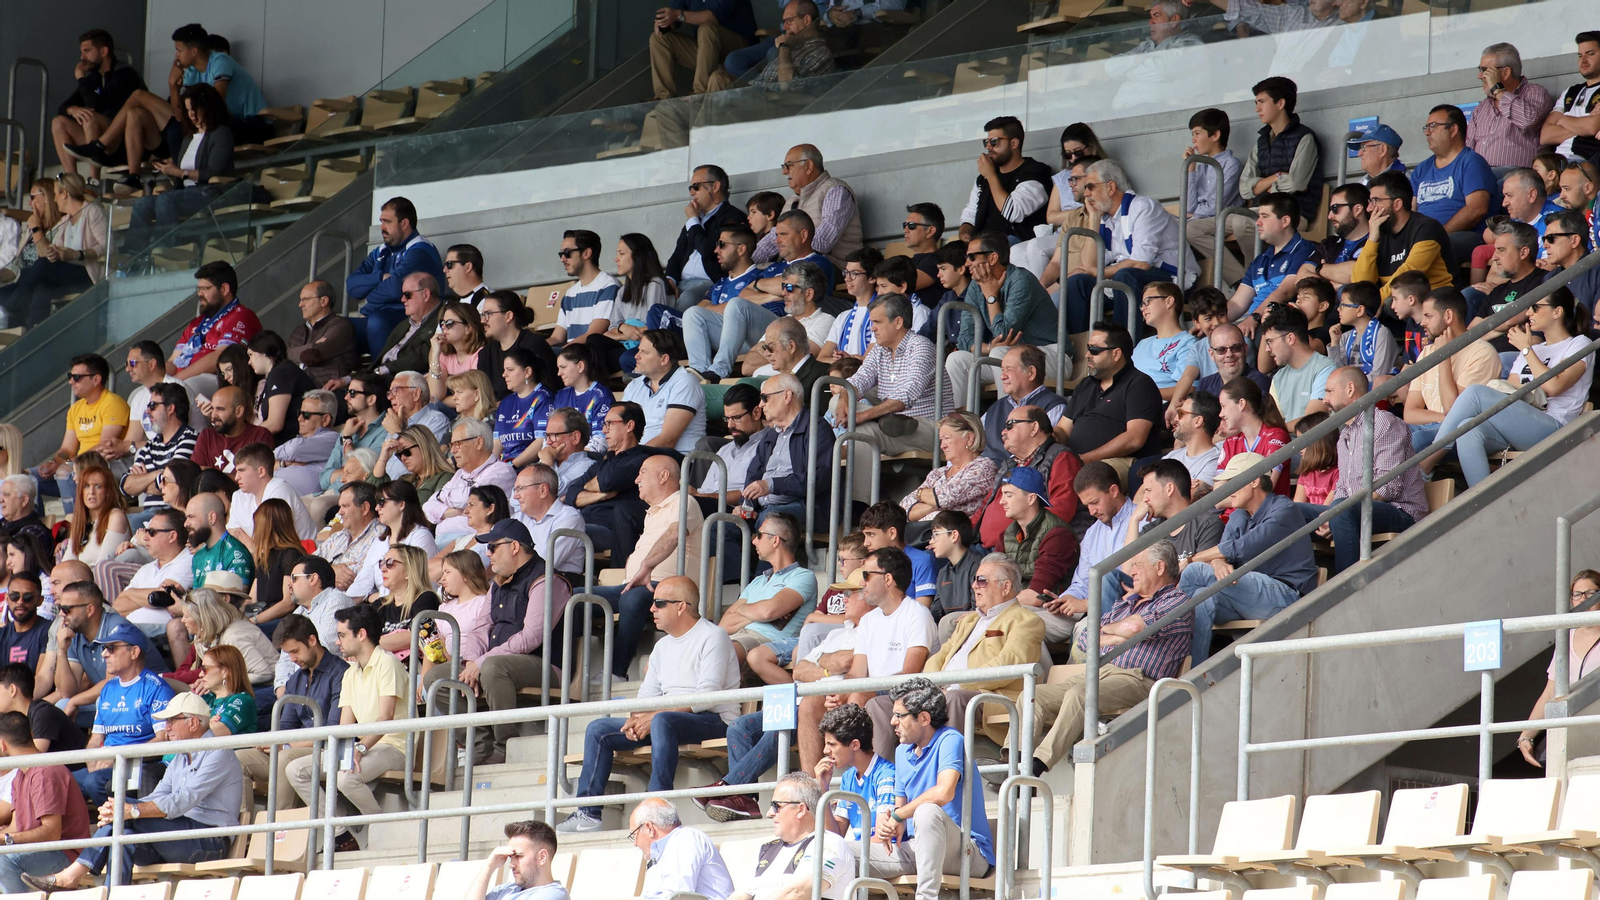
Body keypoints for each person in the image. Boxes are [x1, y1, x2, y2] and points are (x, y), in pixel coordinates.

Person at [557, 576, 739, 833]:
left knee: (662, 720)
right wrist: (637, 718)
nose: (651, 609)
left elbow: (706, 698)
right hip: (669, 720)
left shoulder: (713, 636)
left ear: (681, 606)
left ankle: (655, 808)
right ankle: (588, 813)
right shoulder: (662, 645)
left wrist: (653, 716)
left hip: (713, 719)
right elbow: (647, 695)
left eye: (659, 603)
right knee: (598, 728)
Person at [25, 691, 239, 890]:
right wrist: (123, 809)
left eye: (172, 720)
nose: (166, 727)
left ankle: (71, 876)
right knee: (123, 838)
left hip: (209, 841)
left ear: (193, 722)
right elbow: (157, 796)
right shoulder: (181, 757)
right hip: (181, 836)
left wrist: (132, 811)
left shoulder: (218, 752)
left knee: (123, 815)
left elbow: (181, 802)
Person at [1025, 541, 1192, 775]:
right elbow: (1085, 638)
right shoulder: (1125, 604)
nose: (1131, 571)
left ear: (1160, 567)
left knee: (1080, 695)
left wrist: (1113, 632)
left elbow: (1134, 628)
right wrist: (1118, 634)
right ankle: (1014, 764)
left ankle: (1035, 767)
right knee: (1032, 695)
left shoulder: (1176, 600)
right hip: (1103, 671)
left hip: (1140, 679)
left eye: (1137, 565)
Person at [1436, 285, 1594, 486]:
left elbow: (1554, 387)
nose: (1528, 313)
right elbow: (1510, 390)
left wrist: (1527, 350)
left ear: (1558, 311)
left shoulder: (1579, 344)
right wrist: (1528, 350)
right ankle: (1483, 504)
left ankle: (1427, 461)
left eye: (1535, 307)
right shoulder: (1533, 348)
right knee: (1467, 429)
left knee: (1475, 393)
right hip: (1522, 422)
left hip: (1555, 426)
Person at [795, 549, 936, 773]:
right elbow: (856, 674)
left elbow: (910, 675)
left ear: (888, 579)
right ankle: (813, 787)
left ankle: (860, 776)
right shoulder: (869, 620)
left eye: (867, 576)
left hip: (903, 696)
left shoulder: (917, 615)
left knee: (859, 694)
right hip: (870, 692)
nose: (863, 582)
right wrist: (840, 692)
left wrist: (855, 691)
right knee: (811, 703)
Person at [285, 604, 407, 851]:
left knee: (346, 779)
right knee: (295, 769)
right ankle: (341, 833)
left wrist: (359, 747)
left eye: (342, 635)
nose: (337, 641)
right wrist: (340, 752)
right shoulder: (350, 672)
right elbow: (344, 726)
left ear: (361, 634)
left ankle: (381, 826)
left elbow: (387, 717)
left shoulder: (387, 663)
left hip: (394, 746)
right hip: (364, 746)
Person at [1179, 452, 1320, 661]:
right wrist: (1218, 562)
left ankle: (1164, 626)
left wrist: (1191, 559)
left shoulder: (1284, 509)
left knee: (1194, 571)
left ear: (1254, 480)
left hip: (1287, 597)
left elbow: (1242, 548)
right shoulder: (1239, 514)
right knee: (1201, 598)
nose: (1227, 490)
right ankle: (1193, 675)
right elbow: (1223, 552)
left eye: (1232, 481)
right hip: (1248, 591)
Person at [870, 677, 995, 900]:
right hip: (917, 847)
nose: (892, 722)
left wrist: (899, 815)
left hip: (967, 853)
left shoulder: (950, 739)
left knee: (926, 811)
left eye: (899, 715)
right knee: (839, 852)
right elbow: (899, 813)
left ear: (924, 718)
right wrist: (889, 826)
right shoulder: (901, 751)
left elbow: (944, 792)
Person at [1296, 367, 1429, 574]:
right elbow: (1342, 488)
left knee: (1342, 508)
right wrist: (1333, 515)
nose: (1324, 399)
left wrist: (1338, 513)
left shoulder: (1382, 423)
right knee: (1290, 511)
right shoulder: (1344, 436)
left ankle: (1347, 587)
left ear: (1350, 389)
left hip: (1401, 511)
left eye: (1329, 391)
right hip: (1353, 511)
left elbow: (1388, 488)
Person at [597, 455, 704, 682]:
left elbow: (675, 534)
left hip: (668, 589)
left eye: (642, 472)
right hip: (634, 585)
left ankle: (616, 672)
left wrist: (646, 565)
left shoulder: (683, 501)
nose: (636, 480)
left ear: (664, 476)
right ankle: (561, 673)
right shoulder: (654, 511)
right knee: (575, 599)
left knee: (633, 599)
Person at [1062, 160, 1196, 338]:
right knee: (1077, 282)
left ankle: (1122, 349)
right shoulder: (1104, 217)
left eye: (1091, 187)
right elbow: (1087, 266)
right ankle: (1080, 353)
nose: (1086, 194)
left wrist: (1099, 272)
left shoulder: (1142, 207)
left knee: (1125, 276)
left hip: (1172, 279)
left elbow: (1141, 263)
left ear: (1111, 187)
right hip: (1130, 282)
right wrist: (1093, 220)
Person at [236, 608, 345, 812]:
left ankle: (276, 830)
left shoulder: (340, 673)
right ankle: (245, 833)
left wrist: (286, 745)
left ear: (312, 640)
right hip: (294, 749)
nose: (292, 659)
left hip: (324, 751)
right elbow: (286, 725)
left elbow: (332, 731)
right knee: (240, 758)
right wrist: (270, 740)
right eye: (288, 654)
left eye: (295, 651)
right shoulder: (295, 679)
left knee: (284, 757)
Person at [846, 295, 951, 487]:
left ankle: (859, 505)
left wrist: (864, 415)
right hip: (893, 421)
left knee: (863, 433)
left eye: (877, 322)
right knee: (838, 399)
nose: (872, 328)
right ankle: (884, 420)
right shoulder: (879, 350)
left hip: (931, 426)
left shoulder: (921, 347)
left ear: (898, 322)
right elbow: (858, 380)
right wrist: (844, 399)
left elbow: (906, 395)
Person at [70, 621, 174, 806]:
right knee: (61, 782)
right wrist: (92, 761)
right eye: (104, 648)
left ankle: (125, 825)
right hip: (106, 763)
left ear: (134, 652)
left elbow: (164, 739)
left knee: (94, 782)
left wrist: (119, 757)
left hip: (138, 764)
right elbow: (95, 739)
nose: (104, 654)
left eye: (111, 648)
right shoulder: (108, 688)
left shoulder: (156, 687)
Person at [951, 233, 1060, 406]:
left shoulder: (1021, 280)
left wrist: (991, 296)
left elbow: (1003, 333)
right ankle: (959, 426)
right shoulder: (975, 285)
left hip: (1050, 355)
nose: (966, 263)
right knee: (957, 360)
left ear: (993, 257)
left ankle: (1008, 420)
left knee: (1002, 353)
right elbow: (964, 338)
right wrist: (989, 347)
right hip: (1014, 359)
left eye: (971, 257)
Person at [1022, 463, 1125, 641]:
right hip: (1083, 612)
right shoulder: (1092, 533)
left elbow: (1133, 582)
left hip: (1120, 610)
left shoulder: (1142, 522)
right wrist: (1065, 600)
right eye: (1087, 505)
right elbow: (1081, 583)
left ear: (1114, 490)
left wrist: (1086, 604)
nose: (1092, 511)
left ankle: (1068, 671)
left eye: (1095, 502)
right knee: (1017, 621)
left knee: (1081, 631)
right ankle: (1043, 671)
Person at [0, 709, 92, 892]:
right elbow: (16, 828)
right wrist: (5, 837)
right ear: (31, 735)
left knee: (3, 861)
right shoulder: (20, 774)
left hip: (66, 853)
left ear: (2, 745)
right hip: (38, 850)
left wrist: (8, 839)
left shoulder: (44, 772)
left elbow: (52, 833)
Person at [1517, 569, 1600, 767]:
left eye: (1591, 594)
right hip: (1570, 734)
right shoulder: (1566, 639)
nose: (1583, 600)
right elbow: (1550, 693)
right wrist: (1526, 736)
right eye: (1577, 595)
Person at [0, 174, 105, 329]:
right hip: (51, 276)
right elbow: (50, 252)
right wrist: (55, 252)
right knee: (41, 287)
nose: (55, 199)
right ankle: (31, 334)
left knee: (41, 265)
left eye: (33, 197)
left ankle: (15, 307)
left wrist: (77, 254)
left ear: (62, 194)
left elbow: (107, 247)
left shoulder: (92, 212)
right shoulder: (65, 221)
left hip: (87, 273)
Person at [1405, 288, 1502, 454]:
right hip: (1433, 426)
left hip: (1463, 432)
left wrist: (1444, 356)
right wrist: (1440, 418)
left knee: (1415, 441)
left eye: (1428, 316)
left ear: (1448, 316)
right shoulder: (1427, 352)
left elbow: (1454, 410)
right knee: (1384, 437)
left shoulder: (1482, 353)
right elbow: (1410, 413)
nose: (1422, 323)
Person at [726, 774, 852, 900]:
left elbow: (797, 893)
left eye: (776, 806)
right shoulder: (765, 849)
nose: (769, 813)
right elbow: (741, 895)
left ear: (800, 809)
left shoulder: (829, 843)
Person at [347, 197, 446, 356]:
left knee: (377, 321)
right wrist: (379, 277)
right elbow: (351, 286)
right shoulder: (381, 251)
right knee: (339, 326)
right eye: (381, 221)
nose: (382, 227)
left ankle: (382, 378)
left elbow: (394, 289)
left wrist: (369, 297)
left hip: (409, 318)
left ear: (405, 223)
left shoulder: (419, 249)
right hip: (378, 317)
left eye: (387, 222)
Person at [1057, 323, 1164, 470]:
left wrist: (1085, 460)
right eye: (1088, 348)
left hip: (1122, 462)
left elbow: (1134, 438)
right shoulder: (1085, 385)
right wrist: (1045, 437)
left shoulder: (1139, 384)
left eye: (1094, 350)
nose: (1087, 355)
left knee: (1088, 475)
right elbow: (1063, 430)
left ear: (1116, 354)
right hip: (1080, 462)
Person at [567, 403, 666, 562]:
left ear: (629, 426)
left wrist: (589, 490)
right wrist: (600, 496)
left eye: (610, 424)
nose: (604, 430)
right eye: (604, 425)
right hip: (583, 523)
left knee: (560, 532)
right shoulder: (602, 463)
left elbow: (608, 482)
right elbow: (571, 493)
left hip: (609, 531)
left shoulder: (642, 461)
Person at [718, 512, 817, 670]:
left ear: (775, 540)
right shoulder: (758, 580)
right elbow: (724, 624)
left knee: (719, 655)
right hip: (738, 638)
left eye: (759, 535)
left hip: (768, 643)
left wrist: (745, 610)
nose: (754, 540)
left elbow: (768, 612)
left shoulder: (803, 577)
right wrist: (758, 614)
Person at [973, 405, 1081, 549]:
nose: (1003, 432)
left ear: (1034, 427)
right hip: (982, 548)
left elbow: (1061, 509)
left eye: (1010, 425)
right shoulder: (1009, 464)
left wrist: (1016, 538)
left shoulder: (1061, 457)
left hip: (1023, 550)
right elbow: (983, 509)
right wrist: (959, 534)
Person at [32, 354, 127, 504]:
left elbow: (104, 446)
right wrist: (55, 462)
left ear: (96, 379)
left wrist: (71, 463)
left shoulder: (113, 403)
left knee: (64, 473)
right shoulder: (76, 409)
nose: (71, 382)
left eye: (77, 377)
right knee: (30, 478)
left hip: (101, 465)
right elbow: (67, 449)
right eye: (70, 376)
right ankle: (31, 525)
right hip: (77, 466)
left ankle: (76, 522)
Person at [754, 145, 862, 275]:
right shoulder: (792, 201)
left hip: (833, 267)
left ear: (808, 166)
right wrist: (747, 263)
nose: (785, 172)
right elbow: (772, 239)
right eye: (784, 167)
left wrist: (793, 256)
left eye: (789, 165)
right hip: (795, 267)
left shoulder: (836, 191)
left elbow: (824, 240)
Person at [1237, 77, 1324, 236]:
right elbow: (1244, 189)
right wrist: (1275, 178)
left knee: (1241, 223)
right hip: (1261, 210)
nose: (1257, 108)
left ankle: (1259, 262)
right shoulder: (1261, 141)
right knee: (1204, 227)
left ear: (1280, 103)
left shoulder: (1304, 137)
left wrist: (1262, 187)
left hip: (1292, 213)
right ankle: (1256, 262)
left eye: (1262, 102)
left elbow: (1295, 183)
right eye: (1256, 103)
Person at [51, 29, 145, 177]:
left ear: (104, 51)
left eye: (87, 51)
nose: (82, 57)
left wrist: (80, 78)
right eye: (82, 52)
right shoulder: (94, 77)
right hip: (102, 141)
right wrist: (72, 109)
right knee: (58, 122)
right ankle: (73, 181)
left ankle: (93, 180)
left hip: (126, 144)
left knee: (90, 116)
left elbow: (99, 105)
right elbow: (63, 107)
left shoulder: (124, 73)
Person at [1411, 104, 1497, 263]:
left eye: (1433, 126)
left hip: (1463, 235)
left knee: (1428, 252)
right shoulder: (1421, 169)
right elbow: (1411, 211)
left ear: (1453, 130)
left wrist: (1438, 235)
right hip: (1423, 239)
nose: (1427, 132)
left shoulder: (1471, 162)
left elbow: (1476, 209)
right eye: (1426, 127)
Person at [742, 373, 831, 525]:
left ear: (787, 396)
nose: (761, 405)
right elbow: (754, 474)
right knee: (721, 526)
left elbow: (820, 477)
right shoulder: (771, 434)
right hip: (762, 510)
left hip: (804, 506)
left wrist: (773, 485)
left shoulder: (816, 428)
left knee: (770, 521)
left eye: (764, 398)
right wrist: (744, 505)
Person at [1353, 171, 1456, 301]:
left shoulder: (1427, 228)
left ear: (1397, 204)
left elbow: (1408, 276)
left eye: (1375, 201)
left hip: (1436, 300)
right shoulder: (1380, 232)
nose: (1368, 208)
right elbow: (1359, 283)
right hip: (1397, 302)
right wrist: (1372, 240)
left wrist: (1373, 302)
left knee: (1390, 302)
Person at [1227, 196, 1321, 337]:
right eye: (1258, 216)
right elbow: (1237, 303)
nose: (1258, 222)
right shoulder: (1259, 260)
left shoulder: (1304, 250)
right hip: (1254, 323)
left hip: (1278, 325)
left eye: (1264, 216)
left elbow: (1285, 291)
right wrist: (1213, 323)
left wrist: (1254, 317)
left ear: (1285, 221)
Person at [682, 226, 766, 381]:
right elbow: (699, 308)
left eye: (722, 244)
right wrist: (719, 309)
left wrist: (715, 308)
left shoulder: (764, 275)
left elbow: (746, 305)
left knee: (736, 304)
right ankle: (699, 371)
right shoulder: (720, 283)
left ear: (741, 249)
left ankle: (719, 371)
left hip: (758, 337)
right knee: (691, 313)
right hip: (730, 341)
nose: (716, 250)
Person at [167, 262, 262, 392]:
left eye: (205, 289)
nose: (200, 294)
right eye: (198, 289)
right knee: (140, 393)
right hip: (183, 381)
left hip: (220, 379)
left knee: (188, 387)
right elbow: (174, 361)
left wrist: (176, 381)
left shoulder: (241, 316)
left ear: (224, 289)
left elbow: (221, 357)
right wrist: (156, 377)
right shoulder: (197, 323)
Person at [956, 116, 1051, 245]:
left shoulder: (1035, 173)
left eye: (994, 142)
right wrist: (965, 231)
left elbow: (1013, 212)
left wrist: (991, 176)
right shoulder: (984, 177)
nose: (988, 147)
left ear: (1014, 143)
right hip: (983, 244)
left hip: (1014, 244)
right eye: (986, 142)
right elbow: (971, 212)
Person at [669, 165, 751, 306]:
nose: (692, 193)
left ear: (715, 186)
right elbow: (678, 254)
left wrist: (693, 221)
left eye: (696, 186)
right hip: (682, 282)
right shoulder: (696, 217)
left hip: (710, 282)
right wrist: (670, 279)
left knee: (687, 299)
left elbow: (708, 250)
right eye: (690, 188)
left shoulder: (732, 217)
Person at [271, 556, 356, 693]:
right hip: (299, 686)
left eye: (294, 578)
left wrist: (292, 693)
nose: (289, 584)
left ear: (313, 578)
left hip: (326, 685)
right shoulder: (299, 612)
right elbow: (285, 658)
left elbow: (323, 647)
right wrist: (282, 688)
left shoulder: (336, 600)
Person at [1465, 43, 1554, 169]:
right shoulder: (1482, 107)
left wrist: (1498, 90)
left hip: (1519, 177)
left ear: (1506, 73)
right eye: (1479, 70)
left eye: (1485, 71)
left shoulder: (1534, 92)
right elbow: (1468, 148)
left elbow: (1528, 120)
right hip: (1482, 177)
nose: (1479, 76)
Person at [427, 418, 515, 543]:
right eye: (452, 445)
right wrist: (450, 512)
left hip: (478, 542)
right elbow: (427, 508)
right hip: (445, 541)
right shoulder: (459, 474)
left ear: (479, 442)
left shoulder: (501, 471)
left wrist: (442, 496)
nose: (452, 451)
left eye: (457, 444)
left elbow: (469, 498)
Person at [901, 412, 997, 525]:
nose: (942, 446)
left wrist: (922, 496)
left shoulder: (983, 468)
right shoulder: (937, 473)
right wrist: (936, 504)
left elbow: (946, 497)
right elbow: (904, 509)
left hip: (955, 538)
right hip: (925, 536)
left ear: (970, 438)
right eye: (941, 440)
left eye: (947, 438)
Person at [1182, 108, 1244, 280]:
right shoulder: (1201, 166)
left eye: (1197, 133)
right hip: (1202, 219)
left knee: (1189, 229)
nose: (1193, 140)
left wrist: (1193, 215)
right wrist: (1191, 170)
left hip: (1224, 216)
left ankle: (1239, 279)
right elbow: (1188, 206)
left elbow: (1215, 205)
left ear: (1215, 135)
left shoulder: (1231, 164)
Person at [348, 480, 437, 600]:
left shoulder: (421, 536)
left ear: (401, 504)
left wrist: (376, 597)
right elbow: (363, 582)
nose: (377, 507)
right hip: (385, 607)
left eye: (382, 502)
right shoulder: (379, 541)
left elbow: (415, 584)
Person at [631, 799, 736, 900]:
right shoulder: (666, 850)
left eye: (634, 835)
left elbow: (677, 896)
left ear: (649, 828)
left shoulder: (684, 839)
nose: (635, 843)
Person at [741, 263, 834, 377]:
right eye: (783, 287)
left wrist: (764, 348)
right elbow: (747, 367)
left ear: (808, 294)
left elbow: (801, 358)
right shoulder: (781, 322)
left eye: (789, 288)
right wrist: (782, 354)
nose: (784, 292)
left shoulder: (825, 321)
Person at [113, 508, 194, 638]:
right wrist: (146, 598)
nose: (145, 537)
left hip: (162, 633)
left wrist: (130, 594)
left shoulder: (188, 559)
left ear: (172, 536)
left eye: (151, 532)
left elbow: (163, 596)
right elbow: (118, 607)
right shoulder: (146, 569)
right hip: (134, 630)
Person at [979, 345, 1068, 462]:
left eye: (1009, 369)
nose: (1002, 376)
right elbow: (970, 443)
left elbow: (1041, 453)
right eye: (1002, 370)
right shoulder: (995, 407)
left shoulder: (1053, 406)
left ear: (1031, 373)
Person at [624, 329, 708, 453]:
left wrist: (629, 458)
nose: (636, 356)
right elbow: (621, 429)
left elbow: (668, 440)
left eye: (644, 352)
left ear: (664, 359)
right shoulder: (634, 386)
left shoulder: (684, 382)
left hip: (674, 460)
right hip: (639, 458)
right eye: (638, 350)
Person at [225, 442, 315, 547]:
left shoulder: (279, 491)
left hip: (300, 556)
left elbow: (274, 546)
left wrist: (248, 543)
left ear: (261, 471)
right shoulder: (238, 496)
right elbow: (231, 538)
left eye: (241, 471)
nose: (236, 478)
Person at [1261, 305, 1334, 429]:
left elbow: (1312, 422)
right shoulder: (1278, 377)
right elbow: (1272, 421)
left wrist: (1277, 431)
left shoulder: (1326, 369)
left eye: (1270, 341)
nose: (1267, 349)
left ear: (1290, 338)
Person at [737, 2, 836, 91]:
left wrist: (784, 47)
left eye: (789, 21)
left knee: (722, 80)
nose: (784, 27)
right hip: (754, 94)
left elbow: (788, 87)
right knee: (722, 78)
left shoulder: (820, 53)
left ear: (806, 20)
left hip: (773, 104)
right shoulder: (792, 47)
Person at [478, 291, 557, 402]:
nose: (483, 320)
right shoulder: (486, 354)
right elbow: (484, 397)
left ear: (508, 316)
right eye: (482, 314)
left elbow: (548, 391)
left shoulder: (534, 346)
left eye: (488, 314)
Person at [468, 820, 572, 900]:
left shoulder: (555, 894)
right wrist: (488, 867)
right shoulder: (503, 890)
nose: (511, 865)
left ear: (542, 857)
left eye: (518, 856)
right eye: (510, 857)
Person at [1133, 281, 1201, 402]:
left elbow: (1190, 388)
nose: (1143, 308)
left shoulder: (1188, 343)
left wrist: (1143, 393)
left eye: (1148, 301)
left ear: (1169, 301)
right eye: (1142, 304)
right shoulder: (1142, 344)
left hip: (1158, 408)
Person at [1541, 32, 1600, 164]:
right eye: (1580, 55)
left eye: (1590, 54)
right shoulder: (1570, 91)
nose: (1583, 60)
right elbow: (1545, 136)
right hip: (1556, 159)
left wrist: (1561, 119)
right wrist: (1582, 124)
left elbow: (1591, 127)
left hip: (1584, 160)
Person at [373, 272, 444, 380]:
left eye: (407, 294)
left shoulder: (444, 319)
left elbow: (423, 356)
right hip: (381, 376)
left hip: (405, 381)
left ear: (425, 295)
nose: (402, 299)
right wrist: (349, 378)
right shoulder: (403, 325)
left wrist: (384, 370)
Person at [287, 281, 358, 389]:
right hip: (296, 390)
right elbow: (285, 356)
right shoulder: (299, 331)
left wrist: (294, 352)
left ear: (323, 301)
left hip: (325, 392)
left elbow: (313, 355)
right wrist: (313, 345)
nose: (300, 304)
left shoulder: (341, 326)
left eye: (305, 299)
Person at [189, 386, 273, 472]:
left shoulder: (259, 435)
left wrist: (212, 474)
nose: (213, 415)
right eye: (212, 408)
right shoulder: (207, 436)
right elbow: (193, 474)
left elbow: (257, 478)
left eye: (220, 409)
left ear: (239, 411)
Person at [272, 388, 338, 496]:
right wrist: (284, 463)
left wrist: (273, 455)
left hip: (291, 499)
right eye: (300, 413)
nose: (299, 418)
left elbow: (294, 449)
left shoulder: (332, 439)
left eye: (306, 414)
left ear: (325, 419)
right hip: (273, 491)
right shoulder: (301, 441)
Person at [1329, 281, 1398, 382]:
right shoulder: (1345, 337)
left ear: (1360, 310)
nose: (1339, 309)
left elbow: (1379, 375)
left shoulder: (1381, 334)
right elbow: (1336, 373)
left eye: (1343, 305)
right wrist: (1334, 343)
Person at [61, 465, 129, 568]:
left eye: (98, 486)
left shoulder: (115, 517)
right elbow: (68, 562)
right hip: (79, 579)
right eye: (87, 486)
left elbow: (103, 564)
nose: (91, 492)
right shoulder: (80, 521)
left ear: (107, 492)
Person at [1308, 183, 1372, 290]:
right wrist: (1335, 286)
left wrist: (1320, 269)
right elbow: (1301, 276)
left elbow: (1358, 273)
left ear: (1357, 210)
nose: (1329, 216)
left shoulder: (1375, 241)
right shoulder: (1329, 243)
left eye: (1335, 208)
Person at [426, 302, 487, 402]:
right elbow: (435, 395)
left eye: (449, 323)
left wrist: (443, 402)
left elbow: (473, 398)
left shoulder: (480, 354)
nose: (444, 327)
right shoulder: (444, 356)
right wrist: (435, 354)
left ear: (468, 328)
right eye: (442, 323)